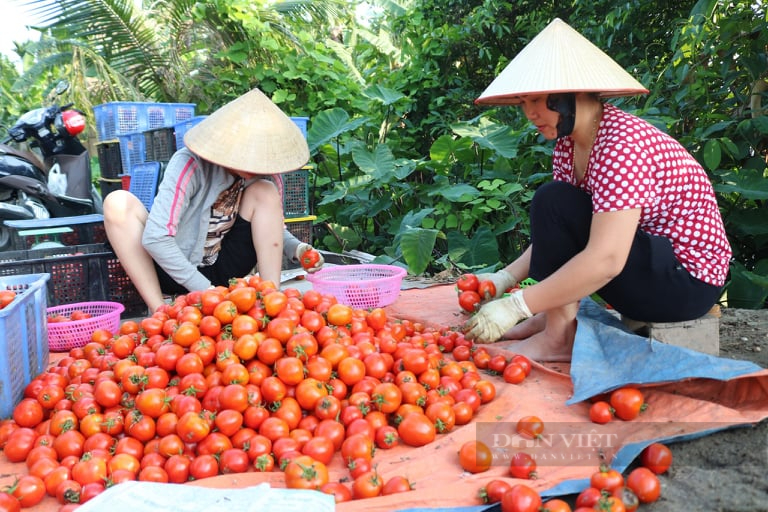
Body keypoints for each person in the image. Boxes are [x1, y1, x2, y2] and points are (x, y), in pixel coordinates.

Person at [463, 19, 732, 361]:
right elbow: (559, 229)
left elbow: (607, 259)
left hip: (685, 283)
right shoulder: (567, 145)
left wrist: (517, 305)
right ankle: (553, 321)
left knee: (553, 201)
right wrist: (504, 278)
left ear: (569, 93)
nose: (530, 114)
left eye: (536, 100)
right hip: (650, 262)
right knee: (554, 202)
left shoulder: (621, 145)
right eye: (522, 103)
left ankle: (558, 338)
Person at [103, 88, 324, 313]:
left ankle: (270, 304)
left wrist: (297, 249)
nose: (254, 164)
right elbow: (156, 238)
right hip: (174, 268)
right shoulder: (190, 164)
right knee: (117, 203)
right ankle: (160, 310)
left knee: (265, 191)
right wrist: (207, 292)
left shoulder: (267, 175)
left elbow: (271, 229)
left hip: (225, 269)